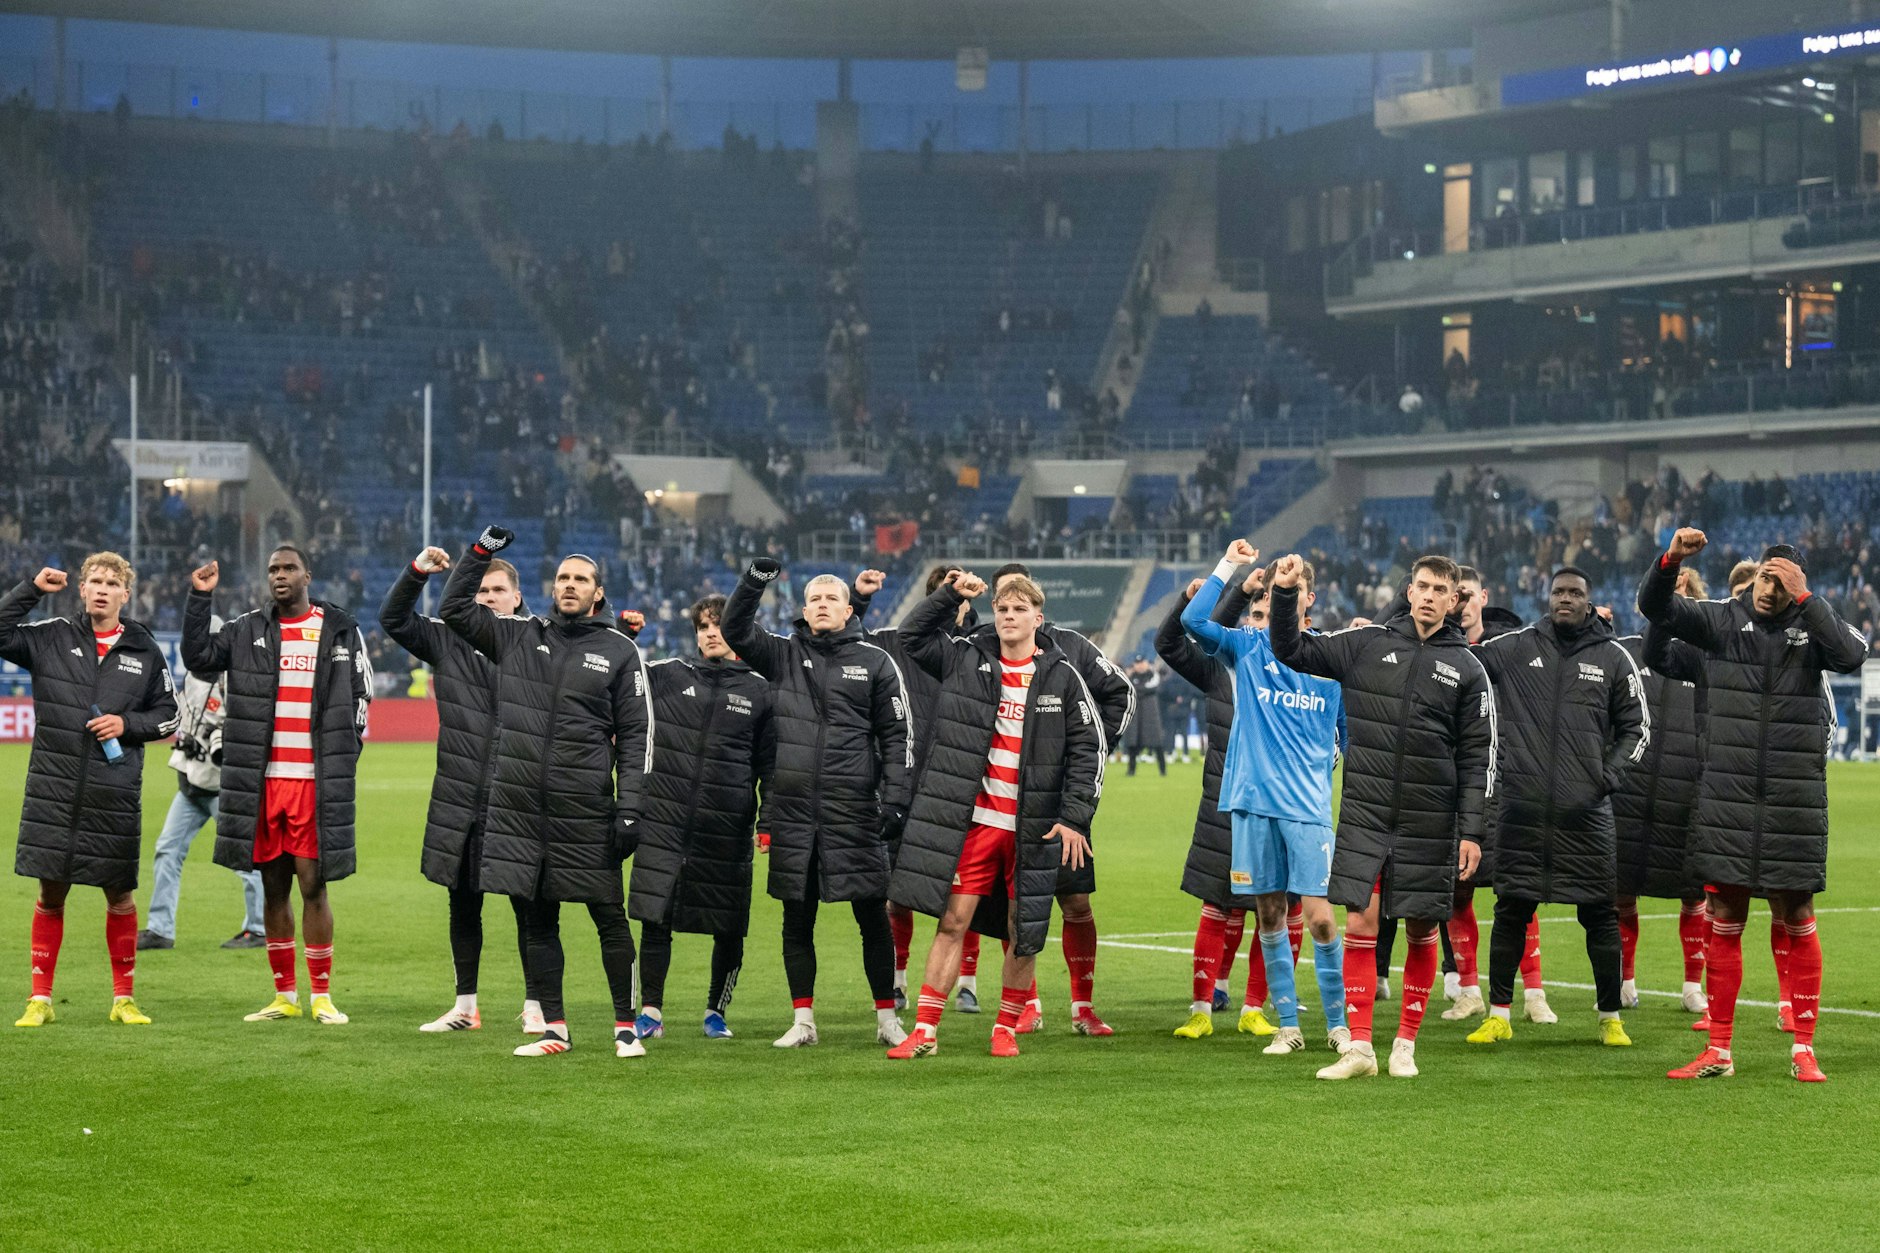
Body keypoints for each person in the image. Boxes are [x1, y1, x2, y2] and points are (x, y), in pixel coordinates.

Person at [1642, 534, 1868, 1081]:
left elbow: (1853, 654)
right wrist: (1671, 561)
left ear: (1797, 587)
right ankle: (1719, 1051)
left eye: (1782, 583)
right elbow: (1655, 608)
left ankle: (1804, 1049)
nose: (1769, 589)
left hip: (1793, 801)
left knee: (1798, 915)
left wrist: (1808, 600)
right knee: (1725, 916)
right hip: (1729, 798)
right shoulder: (1721, 620)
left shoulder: (1813, 628)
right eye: (1766, 577)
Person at [1268, 552, 1495, 1079]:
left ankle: (1405, 1044)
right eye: (1423, 586)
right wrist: (1284, 593)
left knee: (1421, 928)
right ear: (1409, 591)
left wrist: (1472, 831)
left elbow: (1479, 757)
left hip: (1430, 820)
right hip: (1366, 815)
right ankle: (1362, 1049)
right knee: (1360, 923)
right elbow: (1292, 648)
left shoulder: (1468, 669)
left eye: (1440, 590)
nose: (1430, 596)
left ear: (1454, 600)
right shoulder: (1367, 643)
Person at [439, 528, 651, 1059]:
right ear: (552, 587)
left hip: (585, 809)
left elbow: (638, 735)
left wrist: (631, 809)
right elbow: (453, 608)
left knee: (608, 918)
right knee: (537, 922)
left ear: (598, 592)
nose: (570, 585)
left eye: (580, 579)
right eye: (562, 578)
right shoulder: (516, 635)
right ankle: (555, 1029)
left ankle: (626, 1027)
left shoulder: (620, 650)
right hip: (521, 811)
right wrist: (481, 554)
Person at [885, 571, 1102, 1058]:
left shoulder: (1062, 676)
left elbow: (1089, 749)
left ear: (1038, 619)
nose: (1008, 616)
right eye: (1002, 608)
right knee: (951, 922)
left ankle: (1005, 1028)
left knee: (1022, 931)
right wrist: (949, 595)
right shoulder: (966, 658)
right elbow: (912, 637)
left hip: (1033, 829)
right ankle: (925, 1032)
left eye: (1019, 609)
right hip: (978, 822)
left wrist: (1074, 817)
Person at [721, 558, 912, 1049]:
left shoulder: (875, 662)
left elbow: (897, 737)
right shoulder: (782, 655)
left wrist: (895, 802)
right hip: (795, 813)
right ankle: (803, 1021)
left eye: (832, 599)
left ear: (849, 611)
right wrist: (754, 582)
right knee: (797, 920)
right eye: (814, 599)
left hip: (854, 811)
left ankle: (887, 1019)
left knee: (873, 919)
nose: (823, 605)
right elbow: (734, 629)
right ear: (803, 611)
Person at [1462, 568, 1648, 1049]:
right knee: (1510, 912)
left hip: (1586, 816)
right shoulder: (1517, 647)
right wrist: (1452, 610)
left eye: (1575, 593)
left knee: (1600, 916)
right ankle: (1499, 1014)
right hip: (1521, 812)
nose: (1565, 598)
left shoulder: (1613, 657)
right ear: (1548, 598)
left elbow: (1637, 729)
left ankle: (1610, 1018)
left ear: (1589, 601)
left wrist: (1605, 778)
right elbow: (1464, 661)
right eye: (1558, 591)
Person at [1175, 546, 1350, 1057]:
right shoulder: (1247, 646)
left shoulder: (1331, 659)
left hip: (1308, 809)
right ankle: (1287, 1026)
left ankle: (1339, 1025)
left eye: (1291, 590)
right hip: (1252, 804)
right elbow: (1192, 621)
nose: (1279, 598)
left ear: (1309, 599)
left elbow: (1349, 737)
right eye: (1273, 591)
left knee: (1320, 918)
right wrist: (1230, 570)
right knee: (1269, 913)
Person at [185, 547, 369, 1025]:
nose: (280, 576)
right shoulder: (246, 629)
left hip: (312, 783)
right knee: (272, 888)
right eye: (272, 570)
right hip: (263, 782)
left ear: (308, 575)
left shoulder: (339, 628)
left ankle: (322, 996)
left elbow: (361, 693)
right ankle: (284, 996)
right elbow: (198, 657)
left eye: (289, 568)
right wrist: (199, 598)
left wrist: (345, 750)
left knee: (314, 886)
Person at [4, 556, 178, 1028]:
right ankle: (39, 999)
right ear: (81, 589)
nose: (102, 589)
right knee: (50, 894)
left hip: (113, 794)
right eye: (95, 581)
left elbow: (170, 715)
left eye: (112, 583)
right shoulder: (52, 636)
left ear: (126, 594)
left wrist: (127, 724)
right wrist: (31, 589)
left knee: (119, 896)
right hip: (54, 792)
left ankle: (124, 1000)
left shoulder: (144, 649)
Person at [380, 546, 541, 1035]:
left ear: (517, 597)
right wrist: (416, 573)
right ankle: (465, 1007)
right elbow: (393, 618)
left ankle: (538, 1005)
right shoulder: (447, 638)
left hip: (518, 797)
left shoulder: (539, 641)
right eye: (481, 590)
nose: (489, 597)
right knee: (463, 903)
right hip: (461, 797)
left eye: (498, 590)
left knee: (529, 907)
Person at [986, 562, 1133, 1036]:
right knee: (1011, 909)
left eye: (1019, 599)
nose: (1010, 609)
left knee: (1076, 903)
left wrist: (1090, 748)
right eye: (1001, 601)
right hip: (1000, 806)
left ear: (1036, 605)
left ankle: (1082, 1007)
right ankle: (1025, 1005)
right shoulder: (982, 651)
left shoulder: (1071, 647)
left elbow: (1121, 692)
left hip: (1059, 804)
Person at [621, 595, 773, 1042]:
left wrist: (767, 820)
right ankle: (651, 1012)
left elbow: (770, 765)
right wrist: (625, 635)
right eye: (703, 627)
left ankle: (716, 1012)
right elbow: (619, 680)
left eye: (719, 625)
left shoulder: (761, 690)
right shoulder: (668, 674)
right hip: (664, 822)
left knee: (728, 924)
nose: (710, 633)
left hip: (727, 826)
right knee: (656, 916)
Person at [853, 565, 980, 1012]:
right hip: (902, 785)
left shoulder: (978, 649)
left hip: (961, 785)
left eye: (963, 596)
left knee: (966, 891)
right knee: (898, 893)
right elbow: (850, 644)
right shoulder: (893, 641)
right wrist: (859, 599)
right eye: (948, 594)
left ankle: (968, 982)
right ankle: (899, 979)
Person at [1156, 568, 1264, 1034]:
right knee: (1219, 903)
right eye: (1254, 615)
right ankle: (1202, 1008)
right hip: (1223, 805)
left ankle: (1257, 1009)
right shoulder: (1221, 669)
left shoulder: (1302, 669)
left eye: (1268, 615)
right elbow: (1171, 642)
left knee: (1274, 910)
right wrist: (1235, 590)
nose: (1259, 624)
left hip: (1278, 806)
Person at [1612, 567, 1710, 1022]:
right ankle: (1624, 981)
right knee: (1622, 891)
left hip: (1686, 792)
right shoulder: (1625, 654)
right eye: (1667, 593)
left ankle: (1693, 986)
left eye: (1682, 594)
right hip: (1630, 793)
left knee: (1694, 893)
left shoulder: (1708, 656)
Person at [138, 626, 269, 952]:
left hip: (224, 787)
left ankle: (258, 928)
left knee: (244, 857)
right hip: (191, 784)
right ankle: (160, 929)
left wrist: (219, 738)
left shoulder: (232, 680)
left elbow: (247, 729)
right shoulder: (191, 676)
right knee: (167, 850)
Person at [1122, 656, 1166, 776]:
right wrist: (1143, 689)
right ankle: (1131, 770)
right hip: (1136, 715)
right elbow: (1129, 689)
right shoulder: (1130, 677)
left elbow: (1155, 687)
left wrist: (1139, 689)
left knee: (1157, 744)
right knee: (1133, 744)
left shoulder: (1153, 675)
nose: (1140, 665)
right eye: (1137, 663)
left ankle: (1163, 770)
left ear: (1147, 664)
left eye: (1142, 662)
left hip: (1151, 716)